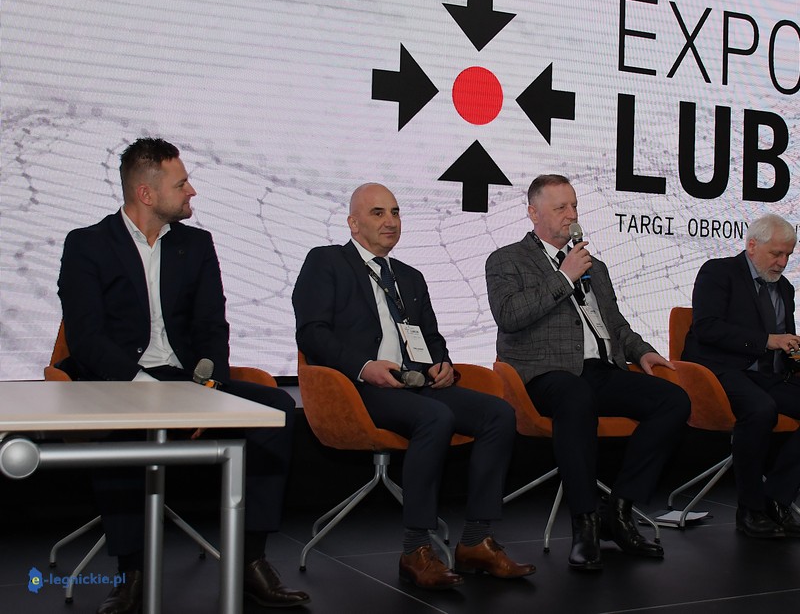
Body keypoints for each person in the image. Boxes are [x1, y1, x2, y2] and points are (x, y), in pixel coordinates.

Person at [56, 138, 309, 613]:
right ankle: (131, 572)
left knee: (275, 410)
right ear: (146, 194)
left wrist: (207, 389)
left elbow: (212, 326)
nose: (192, 191)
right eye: (182, 183)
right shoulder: (87, 245)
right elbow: (87, 339)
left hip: (185, 380)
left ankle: (250, 561)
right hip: (116, 381)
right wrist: (145, 389)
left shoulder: (196, 245)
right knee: (119, 425)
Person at [292, 182, 534, 590]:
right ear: (353, 223)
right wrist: (364, 367)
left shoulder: (410, 276)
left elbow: (431, 338)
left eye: (396, 212)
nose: (390, 221)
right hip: (358, 388)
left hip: (416, 384)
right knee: (435, 417)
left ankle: (476, 541)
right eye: (378, 213)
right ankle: (415, 550)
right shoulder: (326, 262)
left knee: (498, 414)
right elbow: (312, 333)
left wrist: (444, 365)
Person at [485, 174, 691, 571]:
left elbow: (616, 324)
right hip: (544, 373)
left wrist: (643, 352)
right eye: (560, 207)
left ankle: (619, 508)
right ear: (533, 213)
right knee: (575, 395)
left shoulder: (595, 266)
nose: (571, 215)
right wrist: (564, 277)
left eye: (574, 206)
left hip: (599, 369)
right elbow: (510, 316)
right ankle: (584, 523)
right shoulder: (507, 260)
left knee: (673, 400)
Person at [681, 214, 800, 539]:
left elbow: (784, 345)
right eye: (776, 254)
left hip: (769, 374)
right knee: (760, 408)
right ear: (752, 246)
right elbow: (707, 328)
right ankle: (750, 509)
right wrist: (767, 340)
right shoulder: (719, 272)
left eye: (788, 255)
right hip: (720, 371)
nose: (783, 262)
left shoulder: (784, 288)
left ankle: (777, 498)